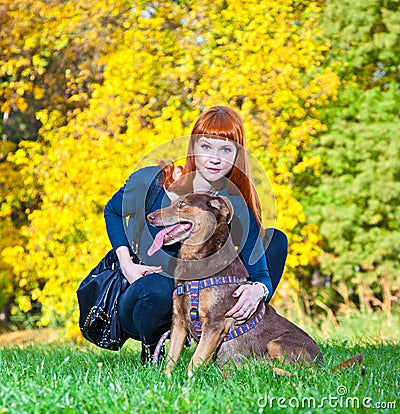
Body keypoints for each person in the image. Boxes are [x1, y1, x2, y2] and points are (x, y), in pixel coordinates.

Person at [104, 106, 288, 363]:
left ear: (237, 155)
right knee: (162, 287)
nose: (215, 158)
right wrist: (127, 265)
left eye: (226, 149)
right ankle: (153, 351)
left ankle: (227, 338)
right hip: (143, 294)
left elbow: (261, 274)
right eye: (206, 146)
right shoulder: (154, 180)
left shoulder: (232, 205)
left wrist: (257, 290)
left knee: (275, 241)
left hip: (201, 299)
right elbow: (112, 211)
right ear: (192, 147)